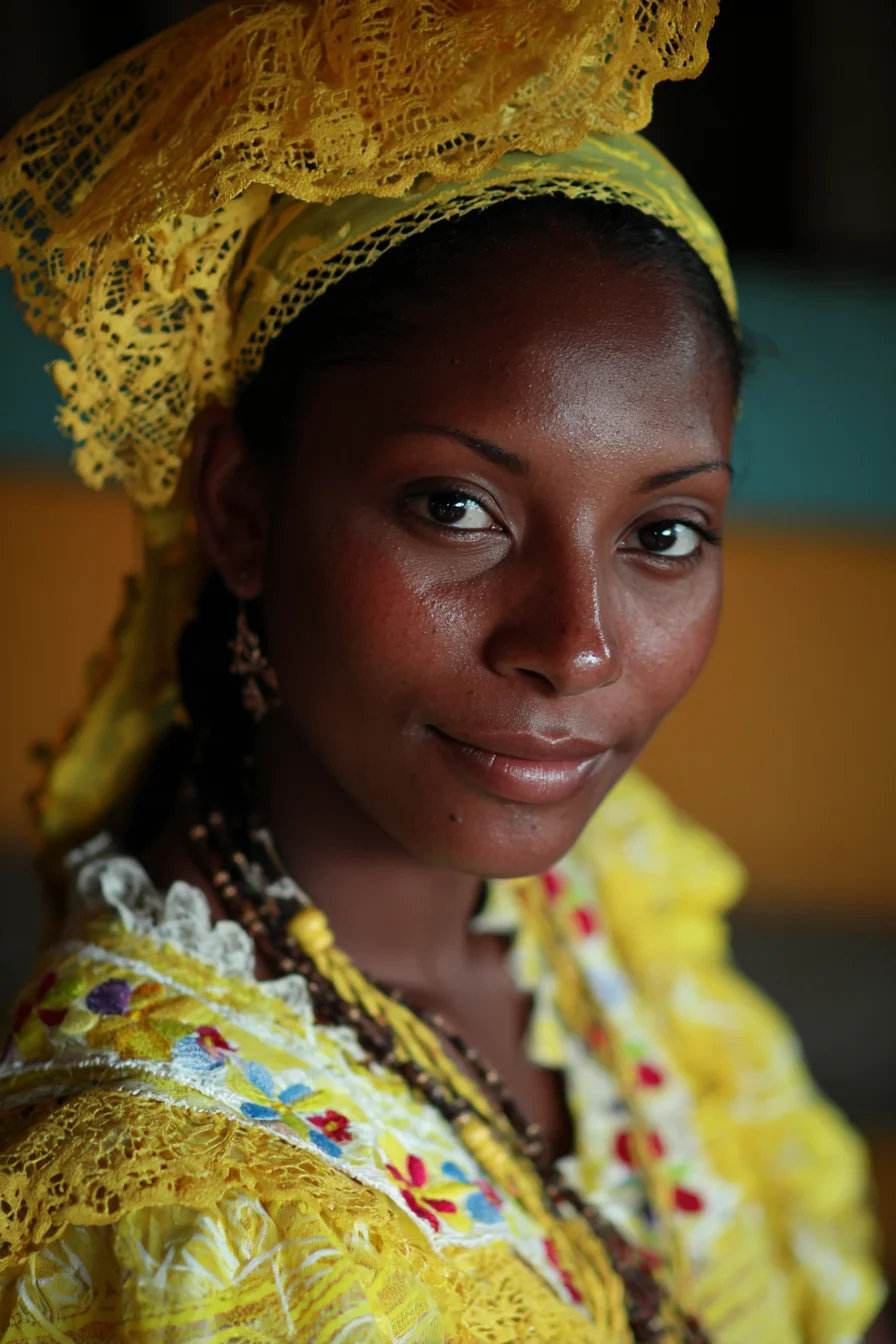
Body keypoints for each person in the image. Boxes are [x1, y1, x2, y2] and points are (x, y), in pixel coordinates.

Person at [0, 2, 886, 1341]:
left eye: (663, 532)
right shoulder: (182, 1211)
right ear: (242, 509)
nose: (576, 649)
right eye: (456, 509)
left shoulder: (597, 893)